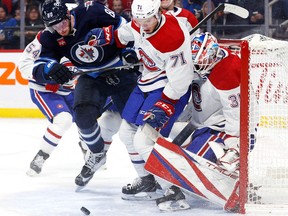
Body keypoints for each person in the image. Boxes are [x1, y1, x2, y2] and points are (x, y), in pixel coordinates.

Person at [90, 0, 195, 209]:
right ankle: (148, 181)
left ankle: (172, 189)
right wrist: (108, 36)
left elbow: (181, 81)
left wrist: (165, 104)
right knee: (126, 133)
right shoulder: (140, 21)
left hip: (168, 89)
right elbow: (128, 32)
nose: (143, 24)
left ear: (157, 13)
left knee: (143, 140)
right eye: (139, 20)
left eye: (147, 20)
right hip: (146, 82)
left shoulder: (172, 37)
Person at [33, 0, 139, 188]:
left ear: (68, 14)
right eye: (54, 25)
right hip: (91, 76)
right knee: (82, 117)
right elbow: (39, 66)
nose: (60, 28)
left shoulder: (92, 11)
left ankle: (149, 176)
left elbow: (126, 27)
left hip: (120, 69)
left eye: (62, 22)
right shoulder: (50, 36)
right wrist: (49, 68)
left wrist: (131, 49)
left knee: (136, 126)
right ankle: (97, 154)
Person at [152, 32, 241, 211]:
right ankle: (168, 185)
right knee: (163, 156)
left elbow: (235, 113)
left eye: (200, 63)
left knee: (184, 165)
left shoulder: (228, 70)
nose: (197, 67)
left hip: (219, 129)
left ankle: (239, 185)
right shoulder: (204, 63)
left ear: (213, 55)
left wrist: (233, 144)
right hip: (200, 123)